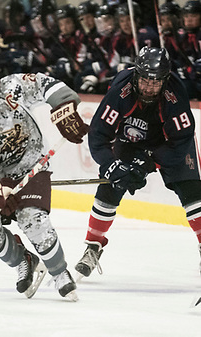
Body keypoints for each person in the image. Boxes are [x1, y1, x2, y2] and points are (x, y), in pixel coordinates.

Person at [0, 62, 89, 300]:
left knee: (31, 218)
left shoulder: (12, 88)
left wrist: (63, 105)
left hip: (31, 166)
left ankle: (59, 273)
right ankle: (22, 260)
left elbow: (44, 84)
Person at [74, 46, 201, 279]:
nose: (150, 88)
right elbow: (98, 136)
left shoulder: (175, 94)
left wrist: (149, 163)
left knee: (193, 193)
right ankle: (93, 246)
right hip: (131, 139)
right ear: (136, 75)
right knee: (111, 184)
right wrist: (111, 166)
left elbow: (181, 140)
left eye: (156, 82)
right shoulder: (120, 91)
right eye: (145, 81)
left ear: (165, 79)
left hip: (170, 142)